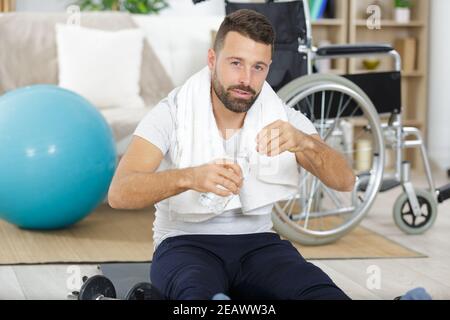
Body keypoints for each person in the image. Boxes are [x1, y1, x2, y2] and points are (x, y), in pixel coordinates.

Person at [108, 9, 356, 300]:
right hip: (185, 245)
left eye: (258, 67)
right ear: (212, 60)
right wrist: (191, 177)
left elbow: (345, 181)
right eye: (236, 63)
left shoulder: (283, 118)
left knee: (324, 295)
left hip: (260, 246)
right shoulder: (172, 113)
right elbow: (119, 193)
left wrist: (305, 143)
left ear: (268, 68)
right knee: (197, 299)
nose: (246, 80)